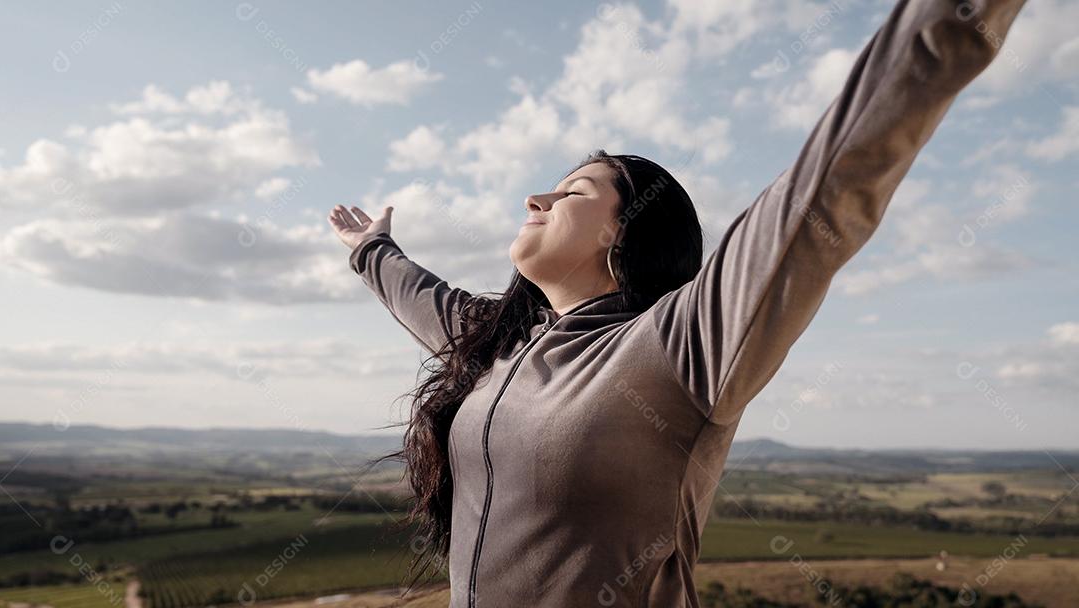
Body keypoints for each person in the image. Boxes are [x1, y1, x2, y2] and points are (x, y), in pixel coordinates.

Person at [327, 0, 1027, 605]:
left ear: (622, 232)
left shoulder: (680, 345)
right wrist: (372, 250)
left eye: (571, 192)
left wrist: (952, 20)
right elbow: (425, 299)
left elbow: (831, 180)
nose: (535, 198)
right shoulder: (496, 344)